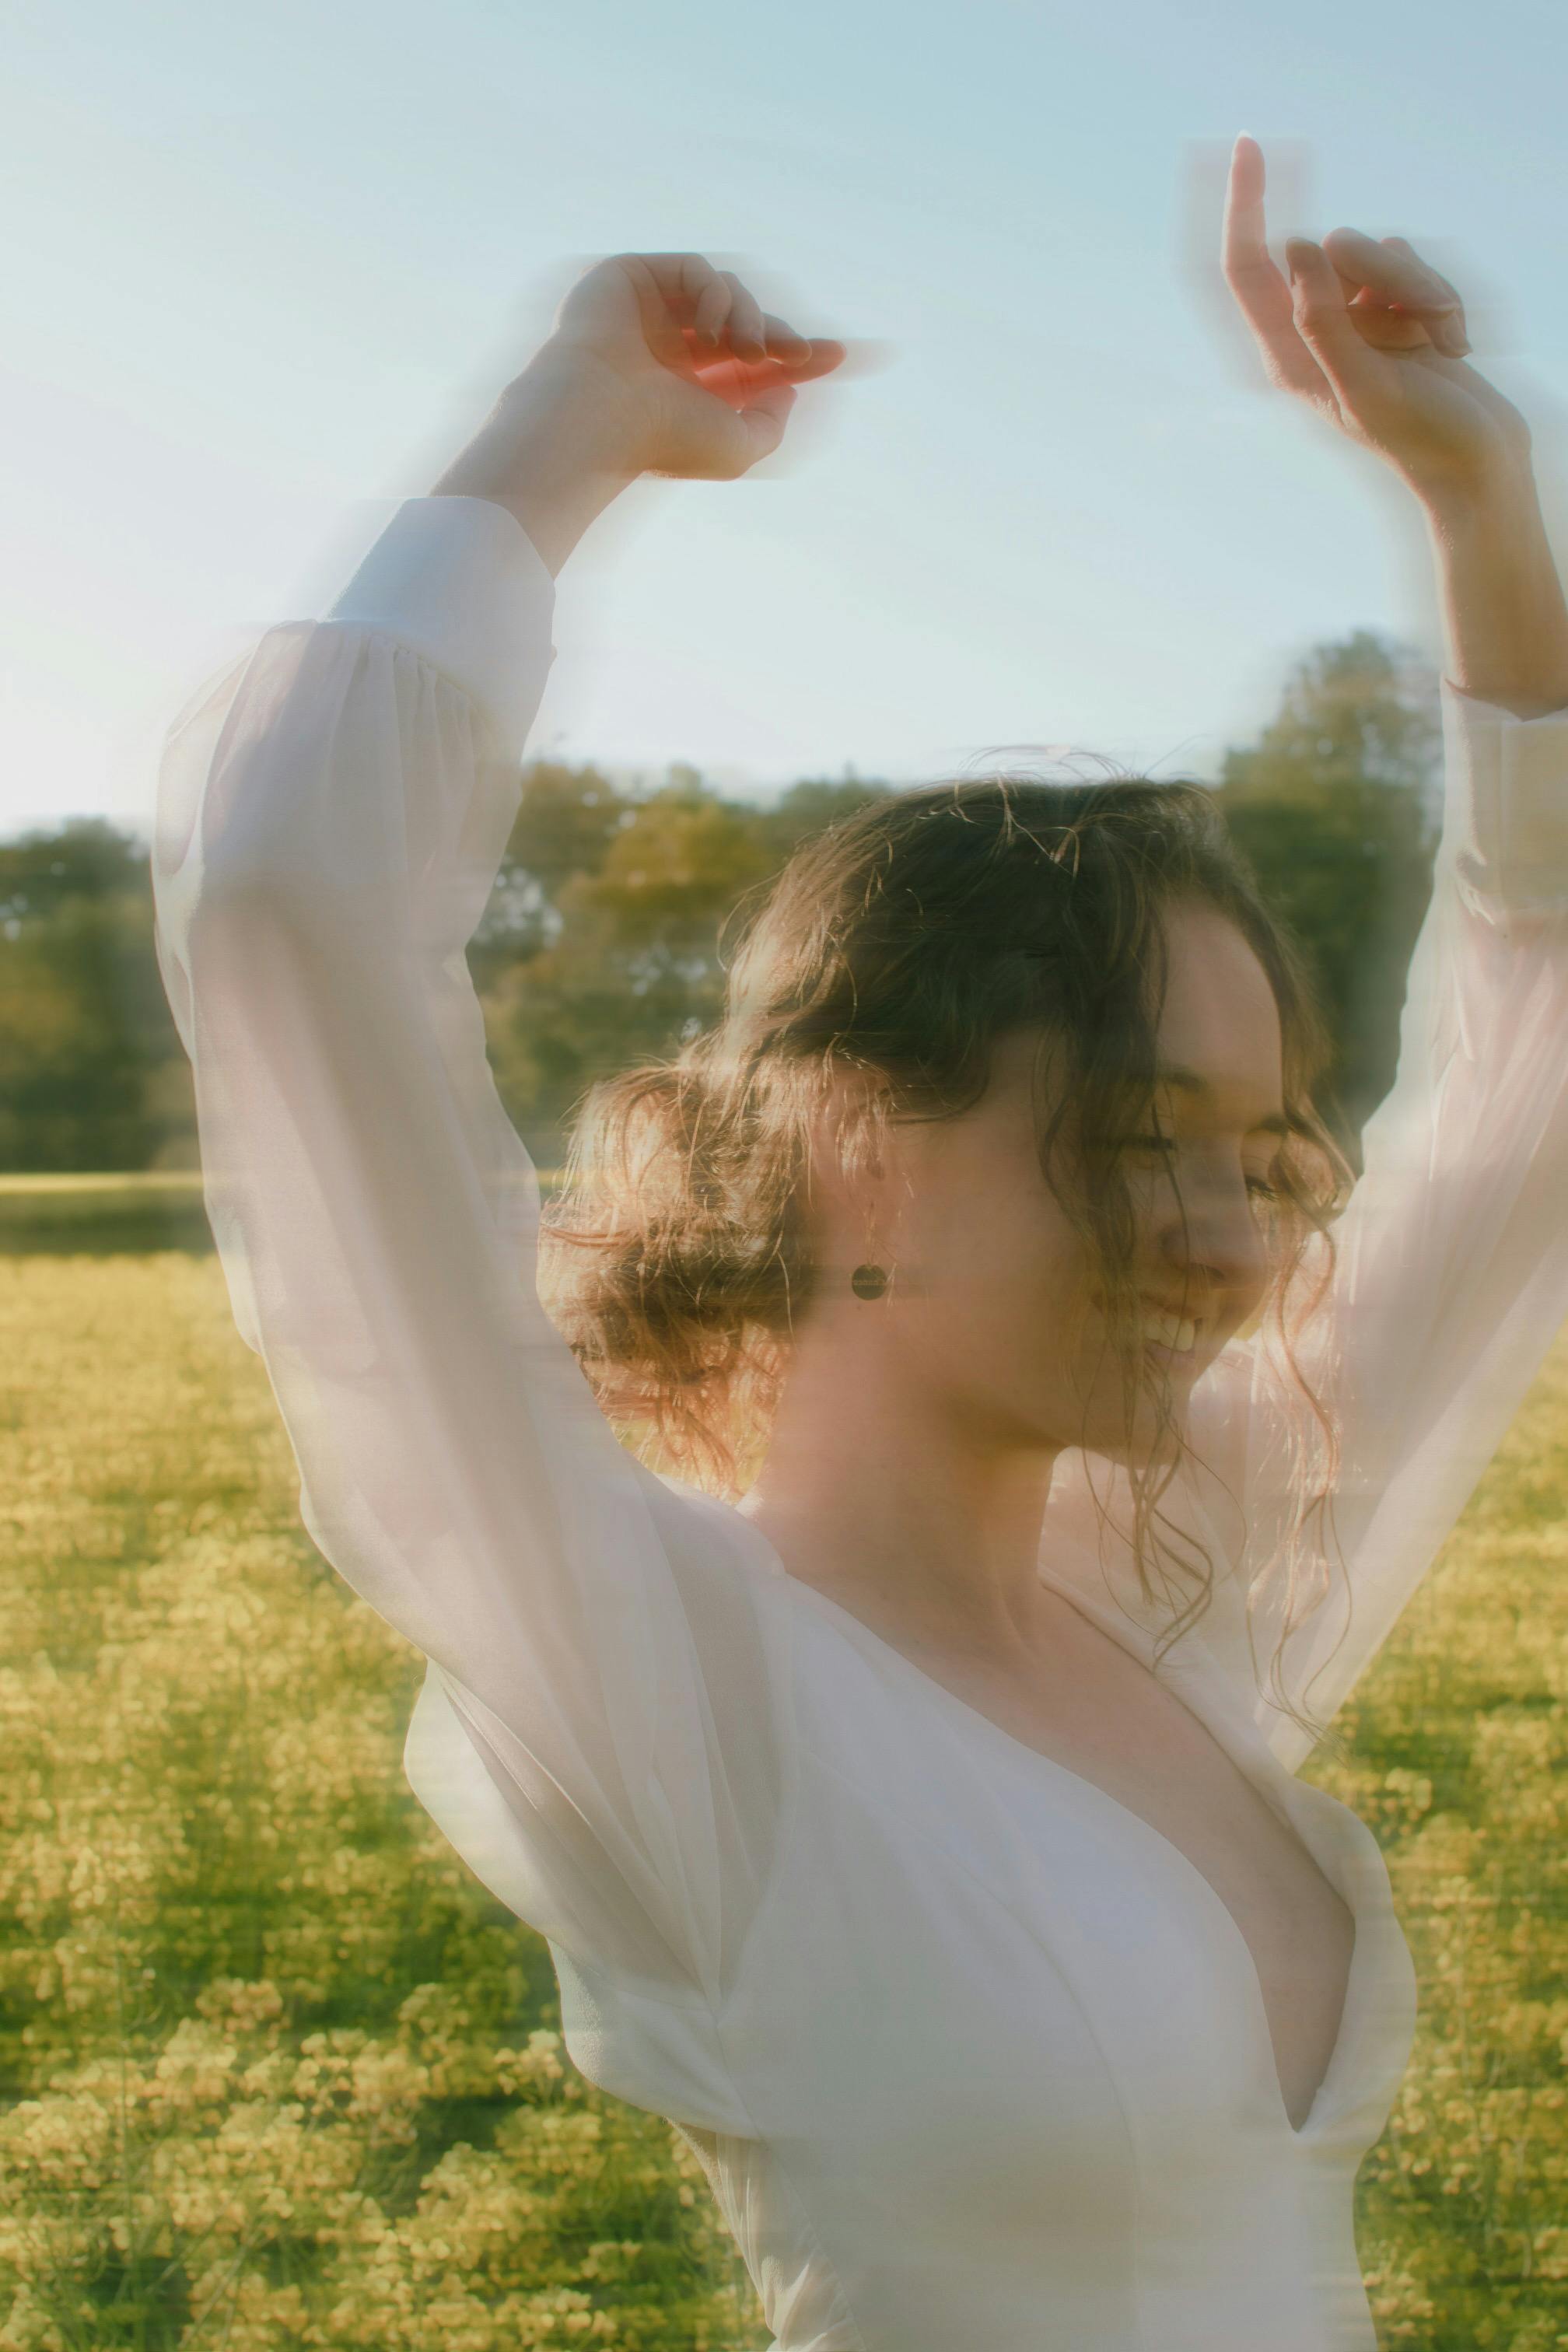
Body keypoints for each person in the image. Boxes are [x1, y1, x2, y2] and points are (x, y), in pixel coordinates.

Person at [152, 136, 1568, 2351]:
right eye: (1129, 1140)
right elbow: (289, 907)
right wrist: (572, 423)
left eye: (1260, 1149)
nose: (1227, 1242)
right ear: (854, 1153)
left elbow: (1531, 1094)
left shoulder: (1183, 1573)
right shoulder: (677, 1688)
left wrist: (1481, 503)